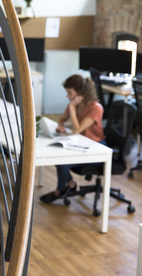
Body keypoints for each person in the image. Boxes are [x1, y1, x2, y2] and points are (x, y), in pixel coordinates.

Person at [40, 74, 106, 203]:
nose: (67, 96)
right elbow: (62, 119)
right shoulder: (75, 104)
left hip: (95, 148)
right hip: (80, 143)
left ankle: (59, 191)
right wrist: (60, 125)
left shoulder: (96, 108)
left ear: (80, 93)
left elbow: (77, 130)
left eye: (70, 93)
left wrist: (71, 107)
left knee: (63, 163)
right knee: (56, 155)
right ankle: (70, 184)